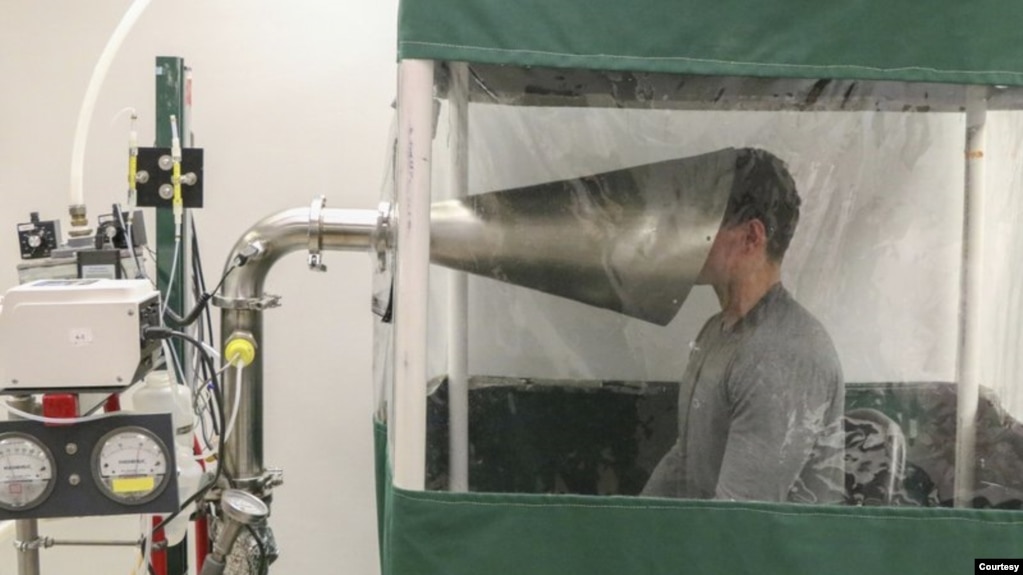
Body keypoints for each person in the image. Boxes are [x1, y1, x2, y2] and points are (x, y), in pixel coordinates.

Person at [642, 148, 845, 503]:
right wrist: (625, 533)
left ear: (752, 237)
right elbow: (685, 459)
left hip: (769, 556)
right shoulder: (715, 332)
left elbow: (740, 523)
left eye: (702, 222)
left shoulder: (780, 356)